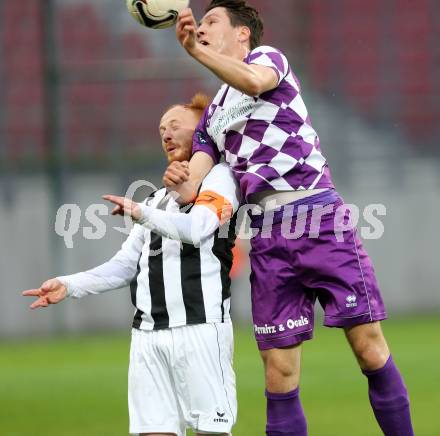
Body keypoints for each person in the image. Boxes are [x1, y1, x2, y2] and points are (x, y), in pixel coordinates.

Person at [163, 1, 415, 435]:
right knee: (278, 373)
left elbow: (254, 81)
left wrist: (195, 52)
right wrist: (177, 175)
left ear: (242, 34)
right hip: (266, 236)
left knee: (368, 349)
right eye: (199, 24)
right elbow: (194, 186)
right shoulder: (211, 116)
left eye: (211, 22)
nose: (201, 28)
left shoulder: (267, 59)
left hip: (317, 217)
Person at [22, 94, 240, 436]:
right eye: (161, 129)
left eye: (175, 126)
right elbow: (126, 265)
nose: (165, 134)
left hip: (200, 328)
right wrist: (70, 285)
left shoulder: (221, 179)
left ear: (202, 132)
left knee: (211, 431)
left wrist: (140, 213)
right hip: (147, 337)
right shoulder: (157, 199)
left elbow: (198, 229)